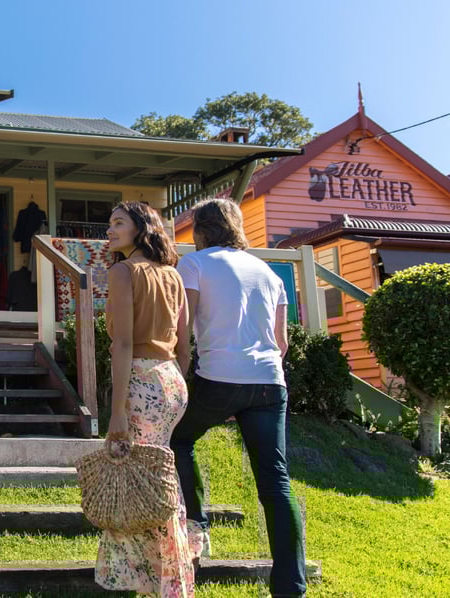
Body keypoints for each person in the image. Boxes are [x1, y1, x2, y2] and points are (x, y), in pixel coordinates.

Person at [171, 198, 306, 598]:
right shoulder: (268, 272)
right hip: (269, 382)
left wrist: (182, 372)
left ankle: (198, 528)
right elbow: (281, 343)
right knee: (276, 482)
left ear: (200, 229)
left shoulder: (194, 265)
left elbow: (184, 327)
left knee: (179, 440)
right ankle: (290, 587)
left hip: (218, 378)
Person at [95, 201, 199, 597]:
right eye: (110, 223)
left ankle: (159, 582)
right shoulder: (173, 275)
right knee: (159, 478)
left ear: (141, 228)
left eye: (118, 223)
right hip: (170, 380)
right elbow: (185, 346)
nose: (110, 230)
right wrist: (172, 383)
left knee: (139, 482)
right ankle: (167, 575)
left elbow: (122, 342)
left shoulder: (123, 272)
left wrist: (117, 410)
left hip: (139, 378)